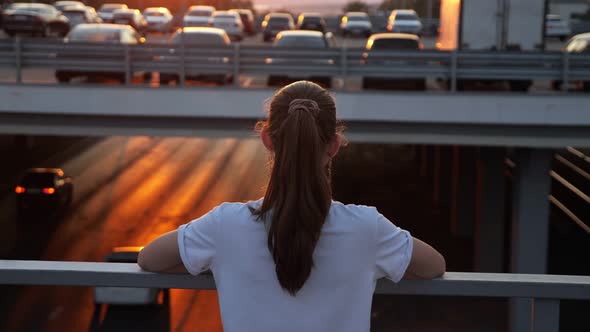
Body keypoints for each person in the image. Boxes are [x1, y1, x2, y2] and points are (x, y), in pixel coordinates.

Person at [138, 80, 445, 332]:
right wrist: (370, 267)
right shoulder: (367, 229)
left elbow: (150, 258)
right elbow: (433, 266)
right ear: (335, 145)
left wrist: (219, 262)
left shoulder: (225, 226)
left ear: (268, 139)